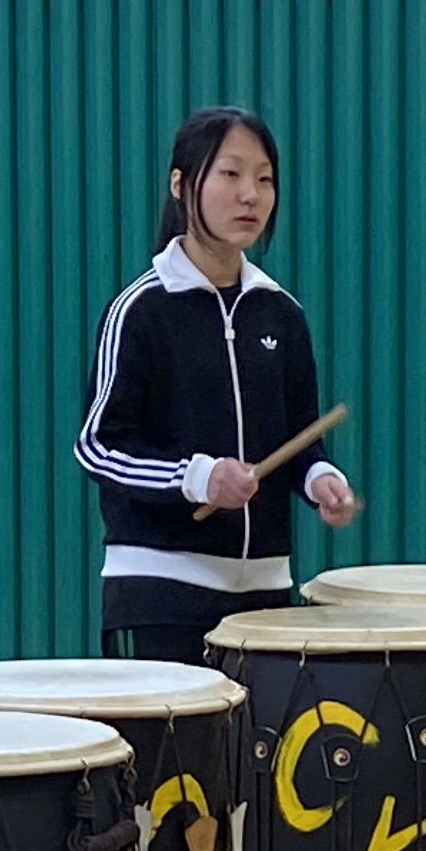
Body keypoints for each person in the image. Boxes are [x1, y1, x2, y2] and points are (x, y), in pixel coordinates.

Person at [75, 102, 361, 664]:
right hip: (161, 593)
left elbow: (301, 441)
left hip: (265, 598)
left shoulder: (282, 314)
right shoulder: (141, 310)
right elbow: (98, 446)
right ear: (180, 185)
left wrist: (321, 479)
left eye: (264, 179)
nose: (250, 195)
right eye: (230, 174)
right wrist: (197, 477)